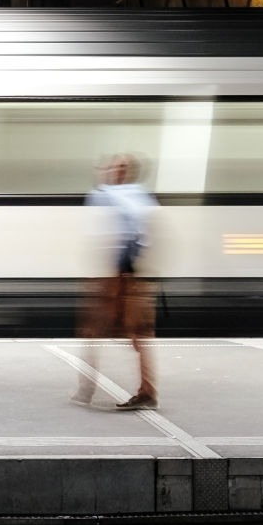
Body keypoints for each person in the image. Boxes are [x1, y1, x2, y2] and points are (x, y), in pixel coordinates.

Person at [78, 152, 159, 410]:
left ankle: (147, 392)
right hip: (109, 276)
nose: (117, 171)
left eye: (123, 167)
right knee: (93, 330)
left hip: (128, 276)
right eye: (114, 167)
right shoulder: (102, 195)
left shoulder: (137, 197)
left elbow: (145, 233)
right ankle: (86, 386)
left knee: (137, 335)